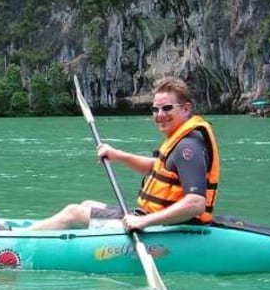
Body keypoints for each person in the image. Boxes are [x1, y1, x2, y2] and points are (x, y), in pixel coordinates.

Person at [30, 77, 220, 231]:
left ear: (186, 109)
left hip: (171, 228)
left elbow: (196, 203)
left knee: (72, 212)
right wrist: (118, 155)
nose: (159, 114)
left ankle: (19, 238)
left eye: (167, 108)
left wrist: (142, 222)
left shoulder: (189, 148)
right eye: (155, 109)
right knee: (87, 203)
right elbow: (157, 167)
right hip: (151, 217)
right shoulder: (178, 140)